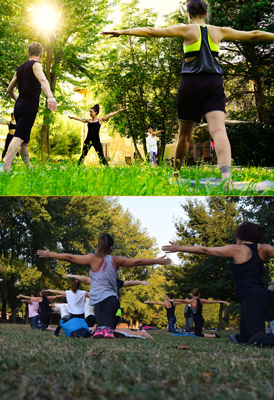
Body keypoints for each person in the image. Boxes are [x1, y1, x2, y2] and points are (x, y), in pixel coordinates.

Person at [102, 0, 274, 184]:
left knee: (184, 136)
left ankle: (176, 174)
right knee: (218, 129)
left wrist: (122, 32)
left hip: (191, 83)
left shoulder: (186, 29)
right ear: (206, 14)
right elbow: (254, 35)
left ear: (189, 15)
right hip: (214, 83)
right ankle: (226, 178)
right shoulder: (219, 31)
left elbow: (152, 31)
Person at [37, 233, 171, 338]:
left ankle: (140, 334)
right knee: (103, 332)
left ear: (99, 246)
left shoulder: (93, 258)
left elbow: (70, 257)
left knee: (105, 332)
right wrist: (157, 261)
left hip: (106, 302)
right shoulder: (116, 260)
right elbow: (137, 261)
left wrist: (51, 254)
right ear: (111, 247)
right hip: (108, 302)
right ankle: (137, 333)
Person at [162, 222, 274, 344]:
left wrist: (179, 248)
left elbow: (205, 250)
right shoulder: (265, 248)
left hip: (251, 298)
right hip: (260, 296)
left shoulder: (237, 249)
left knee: (258, 340)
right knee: (245, 338)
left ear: (241, 235)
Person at [4, 42, 57, 172]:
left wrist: (18, 100)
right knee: (18, 137)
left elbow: (9, 89)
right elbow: (43, 80)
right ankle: (6, 169)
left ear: (28, 54)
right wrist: (50, 96)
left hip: (19, 106)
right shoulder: (36, 65)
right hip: (29, 106)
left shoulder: (20, 68)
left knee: (24, 142)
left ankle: (30, 170)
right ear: (41, 54)